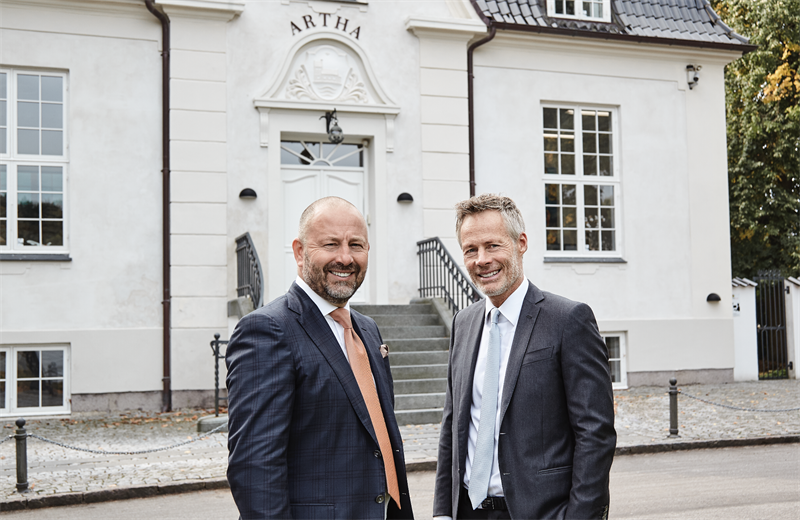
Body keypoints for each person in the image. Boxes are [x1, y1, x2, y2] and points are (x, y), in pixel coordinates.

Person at [226, 196, 414, 520]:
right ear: (300, 252)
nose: (345, 257)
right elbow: (255, 469)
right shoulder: (267, 330)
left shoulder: (367, 330)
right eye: (330, 244)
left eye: (356, 245)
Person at [433, 194, 616, 520]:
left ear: (521, 243)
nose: (482, 260)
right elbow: (452, 427)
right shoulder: (463, 323)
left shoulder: (568, 320)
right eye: (471, 250)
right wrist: (442, 512)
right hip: (468, 511)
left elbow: (595, 435)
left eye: (493, 245)